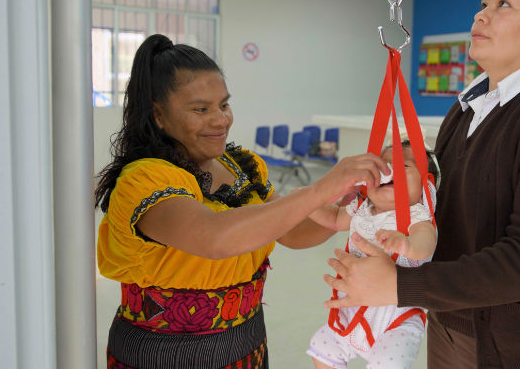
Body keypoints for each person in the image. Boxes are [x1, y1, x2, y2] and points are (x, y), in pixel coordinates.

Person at [322, 0, 520, 369]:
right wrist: (385, 201)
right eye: (483, 3)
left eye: (504, 4)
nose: (481, 14)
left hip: (518, 344)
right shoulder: (468, 107)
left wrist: (401, 285)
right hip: (449, 320)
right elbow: (449, 208)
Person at [95, 34, 388, 369]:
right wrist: (319, 190)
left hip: (246, 345)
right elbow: (215, 237)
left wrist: (349, 210)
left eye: (224, 105)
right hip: (165, 355)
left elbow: (290, 232)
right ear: (158, 115)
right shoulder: (144, 179)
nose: (220, 120)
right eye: (200, 109)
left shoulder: (239, 166)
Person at [305, 141, 440, 369]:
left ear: (426, 187)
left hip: (397, 319)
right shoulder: (361, 208)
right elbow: (334, 218)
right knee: (322, 345)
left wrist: (407, 244)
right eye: (383, 166)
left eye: (404, 166)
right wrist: (307, 201)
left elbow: (427, 242)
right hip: (353, 311)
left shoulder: (417, 216)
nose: (389, 171)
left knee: (389, 363)